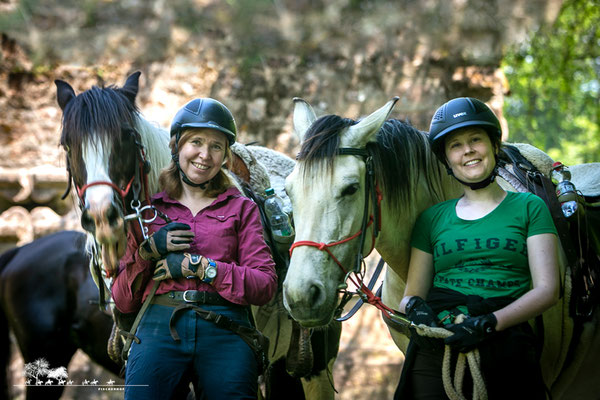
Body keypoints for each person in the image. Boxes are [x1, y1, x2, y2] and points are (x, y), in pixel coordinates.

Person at [112, 98, 278, 400]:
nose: (205, 155)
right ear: (176, 147)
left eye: (216, 146)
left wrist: (202, 268)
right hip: (158, 326)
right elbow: (122, 300)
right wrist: (148, 253)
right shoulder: (147, 210)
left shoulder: (242, 209)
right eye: (196, 142)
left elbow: (264, 285)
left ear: (225, 155)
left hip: (226, 328)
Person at [394, 97, 559, 399]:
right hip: (439, 343)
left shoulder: (530, 207)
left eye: (475, 140)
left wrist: (489, 324)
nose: (467, 150)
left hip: (504, 337)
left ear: (494, 146)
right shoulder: (431, 219)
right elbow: (410, 297)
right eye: (455, 145)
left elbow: (547, 290)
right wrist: (418, 311)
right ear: (446, 159)